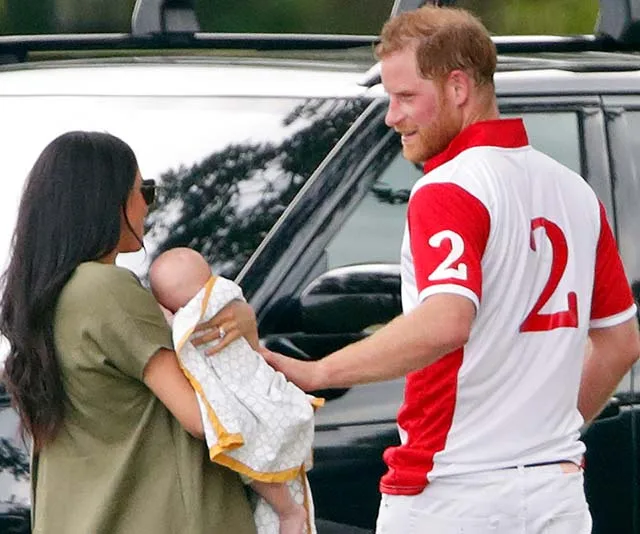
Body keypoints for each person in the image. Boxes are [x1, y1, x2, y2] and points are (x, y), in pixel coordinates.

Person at [256, 6, 640, 534]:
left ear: (458, 87)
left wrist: (319, 372)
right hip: (556, 493)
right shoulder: (573, 190)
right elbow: (621, 342)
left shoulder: (447, 187)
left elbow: (445, 322)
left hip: (453, 493)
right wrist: (546, 435)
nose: (393, 116)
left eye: (407, 97)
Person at [0, 131, 259, 534]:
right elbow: (202, 418)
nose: (148, 207)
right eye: (145, 190)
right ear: (108, 201)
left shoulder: (42, 295)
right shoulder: (106, 289)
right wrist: (241, 330)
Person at [149, 247, 318, 534]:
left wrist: (165, 318)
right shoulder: (230, 298)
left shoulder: (202, 314)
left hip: (251, 406)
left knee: (251, 455)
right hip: (264, 398)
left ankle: (289, 511)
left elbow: (186, 331)